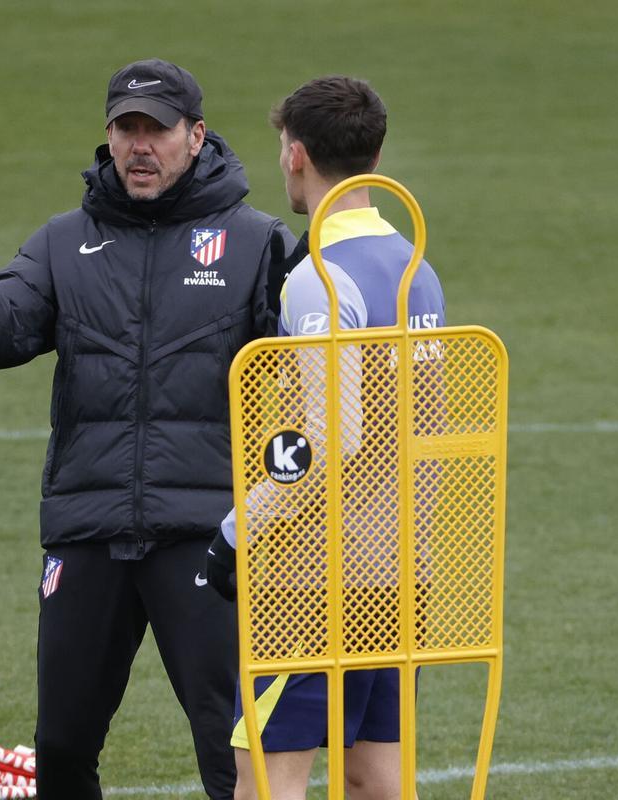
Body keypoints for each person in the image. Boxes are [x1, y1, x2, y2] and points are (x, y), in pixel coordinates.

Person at [0, 58, 296, 800]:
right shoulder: (65, 243)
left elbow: (304, 375)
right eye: (125, 129)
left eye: (156, 130)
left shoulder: (257, 243)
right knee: (62, 746)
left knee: (231, 750)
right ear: (108, 137)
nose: (139, 145)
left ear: (195, 136)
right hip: (88, 527)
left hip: (207, 533)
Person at [205, 76, 447, 800]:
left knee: (265, 776)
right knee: (376, 774)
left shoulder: (319, 277)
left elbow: (327, 440)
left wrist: (237, 528)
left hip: (317, 580)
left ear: (298, 154)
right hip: (402, 567)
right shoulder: (418, 268)